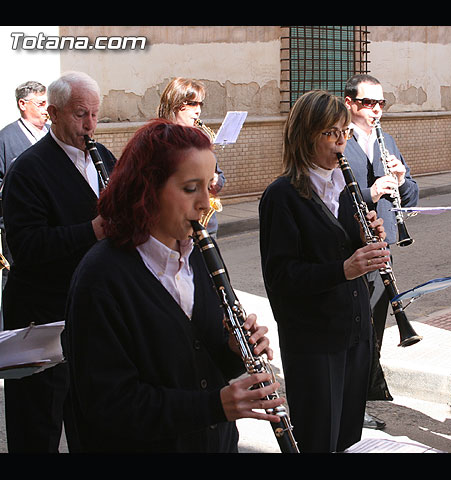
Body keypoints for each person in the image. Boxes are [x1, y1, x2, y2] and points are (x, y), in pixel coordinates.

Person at [63, 119, 283, 452]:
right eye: (190, 188)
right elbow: (107, 405)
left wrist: (235, 351)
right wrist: (215, 406)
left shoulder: (200, 255)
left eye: (208, 187)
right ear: (146, 189)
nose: (205, 204)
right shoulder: (101, 278)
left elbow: (201, 366)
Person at [259, 90, 388, 452]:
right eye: (330, 134)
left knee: (348, 439)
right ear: (305, 135)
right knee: (317, 439)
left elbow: (345, 247)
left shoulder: (347, 187)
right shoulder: (282, 196)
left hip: (355, 332)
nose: (340, 142)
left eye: (343, 132)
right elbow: (281, 278)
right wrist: (343, 269)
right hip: (315, 341)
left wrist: (366, 237)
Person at [1, 71, 117, 452]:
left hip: (90, 316)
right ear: (52, 113)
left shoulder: (104, 158)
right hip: (42, 320)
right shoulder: (28, 169)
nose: (90, 125)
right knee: (38, 426)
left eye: (95, 115)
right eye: (80, 114)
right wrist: (93, 231)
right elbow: (26, 246)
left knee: (91, 421)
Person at [344, 74, 419, 428]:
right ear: (349, 104)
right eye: (367, 103)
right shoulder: (340, 143)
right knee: (353, 333)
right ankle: (348, 407)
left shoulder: (386, 140)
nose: (375, 110)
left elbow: (411, 198)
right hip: (351, 251)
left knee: (373, 333)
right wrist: (370, 193)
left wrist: (403, 181)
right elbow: (333, 200)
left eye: (380, 104)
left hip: (382, 249)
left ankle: (360, 404)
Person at [0, 81, 51, 327]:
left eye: (47, 103)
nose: (46, 109)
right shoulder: (6, 139)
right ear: (23, 104)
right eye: (40, 104)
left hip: (53, 228)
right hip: (18, 229)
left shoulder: (53, 134)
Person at [158, 77, 225, 237]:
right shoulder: (159, 140)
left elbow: (220, 176)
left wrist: (215, 180)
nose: (198, 111)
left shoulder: (200, 137)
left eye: (200, 104)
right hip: (178, 228)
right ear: (176, 104)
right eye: (193, 104)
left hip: (206, 226)